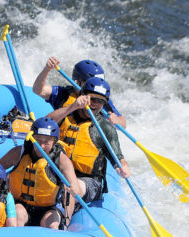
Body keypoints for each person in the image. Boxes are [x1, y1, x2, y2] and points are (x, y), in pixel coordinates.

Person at [51, 77, 130, 205]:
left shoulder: (105, 128)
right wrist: (73, 106)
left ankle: (62, 222)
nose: (94, 104)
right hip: (59, 172)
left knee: (70, 189)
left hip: (89, 181)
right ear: (82, 96)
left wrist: (123, 166)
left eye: (100, 101)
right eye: (92, 98)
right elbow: (43, 124)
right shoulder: (66, 114)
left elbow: (118, 157)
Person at [0, 117, 81, 230]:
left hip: (48, 209)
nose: (41, 146)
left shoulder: (61, 160)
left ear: (54, 141)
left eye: (46, 142)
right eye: (38, 140)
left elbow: (75, 185)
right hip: (22, 205)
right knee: (17, 214)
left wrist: (73, 188)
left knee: (52, 225)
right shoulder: (20, 152)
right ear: (32, 138)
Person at [33, 57, 127, 128]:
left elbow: (123, 123)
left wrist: (116, 120)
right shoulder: (63, 93)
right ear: (77, 82)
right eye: (90, 83)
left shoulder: (101, 100)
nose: (95, 86)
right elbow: (38, 89)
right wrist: (47, 69)